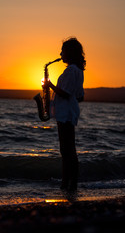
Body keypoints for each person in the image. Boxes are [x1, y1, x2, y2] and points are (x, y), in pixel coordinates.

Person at [43, 37, 85, 191]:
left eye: (62, 51)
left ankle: (67, 183)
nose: (60, 54)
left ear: (69, 52)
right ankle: (69, 183)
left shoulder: (70, 71)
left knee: (66, 151)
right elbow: (80, 96)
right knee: (69, 150)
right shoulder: (78, 71)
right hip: (70, 112)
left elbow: (66, 94)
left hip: (65, 113)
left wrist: (50, 85)